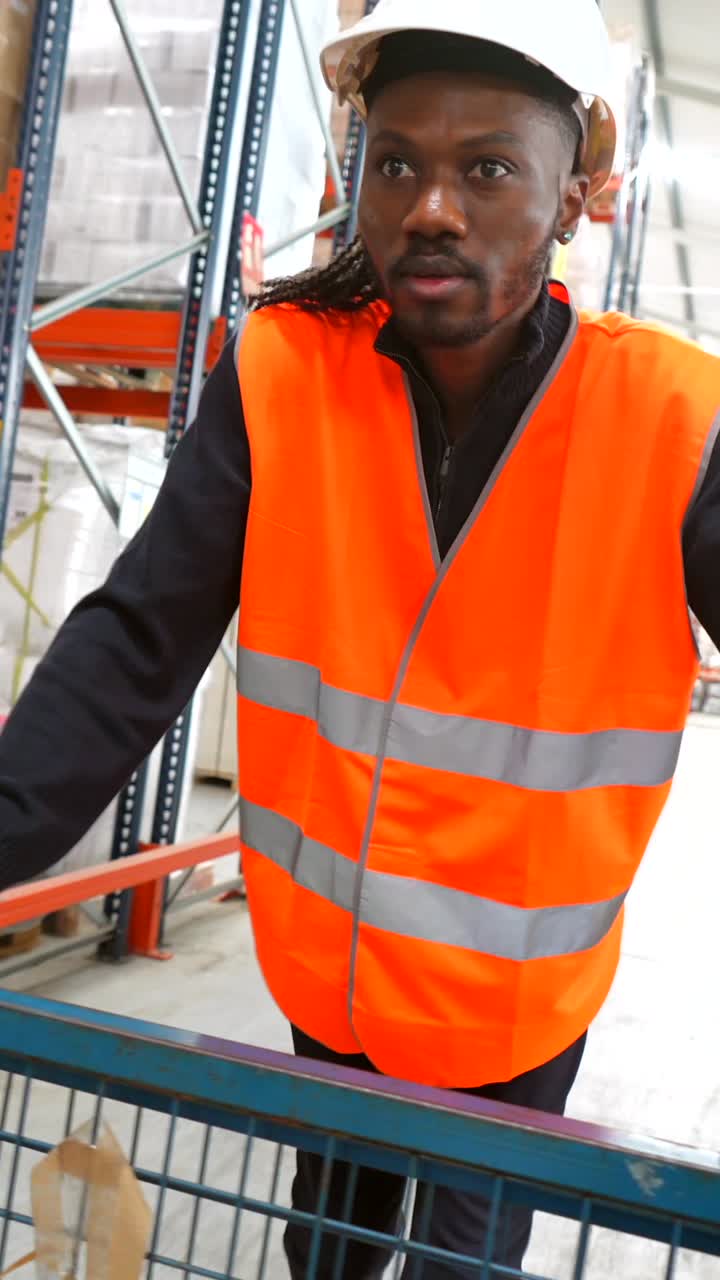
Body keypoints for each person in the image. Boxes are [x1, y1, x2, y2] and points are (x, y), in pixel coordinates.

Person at [1, 0, 719, 1274]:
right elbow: (135, 643)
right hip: (326, 991)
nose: (431, 207)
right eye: (398, 163)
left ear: (575, 194)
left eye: (487, 167)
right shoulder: (282, 375)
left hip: (511, 1027)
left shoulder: (670, 420)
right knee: (323, 1250)